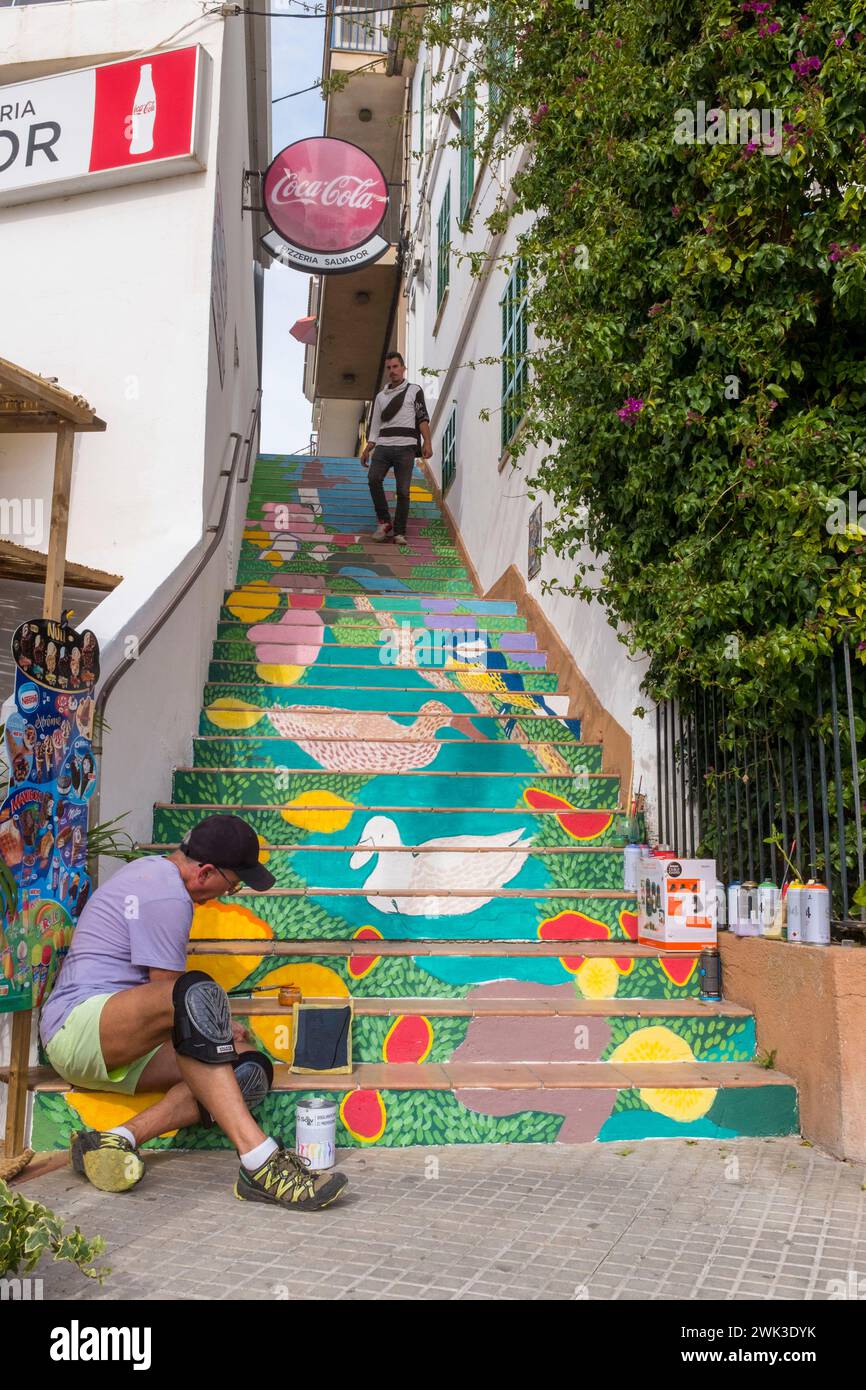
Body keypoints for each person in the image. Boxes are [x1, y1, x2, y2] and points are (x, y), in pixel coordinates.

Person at [39, 814, 348, 1212]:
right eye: (232, 885)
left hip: (122, 1045)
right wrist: (216, 1026)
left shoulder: (163, 882)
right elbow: (171, 997)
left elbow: (179, 1011)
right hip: (78, 1028)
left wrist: (219, 1033)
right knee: (196, 996)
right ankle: (261, 1164)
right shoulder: (165, 893)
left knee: (248, 1069)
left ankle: (117, 1138)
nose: (227, 895)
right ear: (204, 872)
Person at [360, 350, 433, 545]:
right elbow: (375, 425)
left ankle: (399, 532)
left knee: (403, 490)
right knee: (373, 478)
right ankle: (384, 522)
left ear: (403, 368)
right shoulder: (380, 397)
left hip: (406, 447)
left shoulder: (414, 390)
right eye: (389, 368)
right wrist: (368, 448)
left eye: (395, 367)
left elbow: (422, 418)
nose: (392, 371)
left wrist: (427, 441)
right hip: (383, 446)